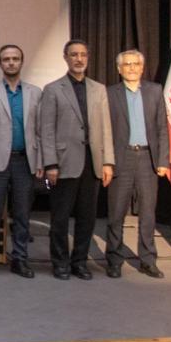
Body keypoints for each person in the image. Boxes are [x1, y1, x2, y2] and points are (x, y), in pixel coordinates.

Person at [40, 39, 114, 280]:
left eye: (83, 54)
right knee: (60, 218)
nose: (79, 59)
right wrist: (50, 163)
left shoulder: (99, 89)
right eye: (73, 54)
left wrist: (108, 161)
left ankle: (79, 262)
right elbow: (47, 129)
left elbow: (106, 128)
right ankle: (60, 262)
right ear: (66, 58)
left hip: (92, 163)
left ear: (88, 57)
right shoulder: (53, 89)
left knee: (87, 218)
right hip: (63, 163)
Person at [0, 45, 43, 279]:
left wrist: (41, 161)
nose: (11, 62)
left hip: (25, 161)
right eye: (6, 59)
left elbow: (40, 131)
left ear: (22, 62)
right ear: (0, 63)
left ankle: (20, 259)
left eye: (15, 59)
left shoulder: (35, 92)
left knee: (22, 215)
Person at [105, 49, 170, 279]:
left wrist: (163, 160)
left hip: (147, 159)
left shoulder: (155, 91)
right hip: (121, 158)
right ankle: (114, 260)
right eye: (127, 64)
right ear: (119, 69)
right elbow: (105, 130)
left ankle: (147, 260)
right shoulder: (109, 93)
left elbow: (162, 128)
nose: (132, 68)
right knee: (116, 213)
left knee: (148, 214)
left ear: (142, 68)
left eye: (136, 64)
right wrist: (107, 162)